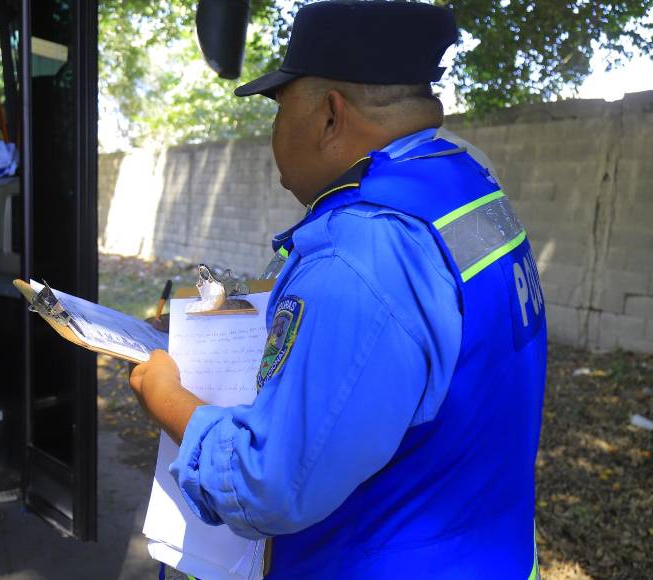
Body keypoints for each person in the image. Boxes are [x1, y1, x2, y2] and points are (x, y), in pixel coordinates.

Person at [129, 1, 547, 578]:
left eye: (278, 111)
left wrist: (164, 395)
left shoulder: (362, 250)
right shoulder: (464, 181)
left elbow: (268, 482)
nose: (274, 133)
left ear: (329, 115)